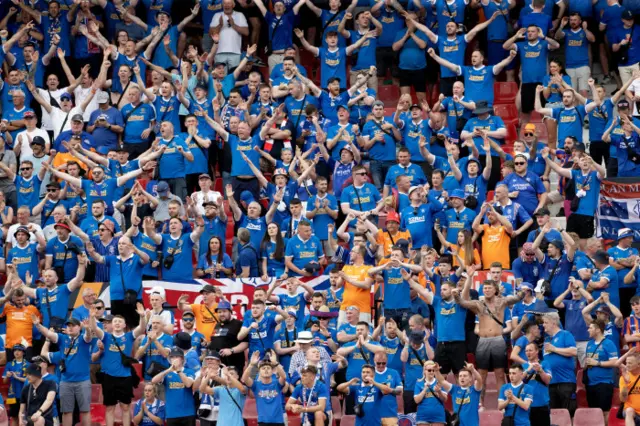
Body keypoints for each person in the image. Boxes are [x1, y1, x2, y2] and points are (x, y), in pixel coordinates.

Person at [89, 303, 147, 426]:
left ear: (124, 325)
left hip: (125, 377)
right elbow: (95, 328)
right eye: (115, 321)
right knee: (110, 408)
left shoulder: (129, 336)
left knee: (125, 407)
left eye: (120, 322)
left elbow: (142, 328)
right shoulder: (106, 337)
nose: (117, 323)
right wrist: (92, 317)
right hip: (109, 377)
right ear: (112, 324)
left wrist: (142, 316)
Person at [150, 347, 197, 425]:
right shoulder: (167, 373)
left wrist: (178, 370)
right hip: (172, 413)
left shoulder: (189, 371)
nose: (174, 359)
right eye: (172, 357)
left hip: (188, 413)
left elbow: (188, 384)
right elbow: (153, 381)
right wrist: (169, 370)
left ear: (182, 359)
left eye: (176, 357)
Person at [543, 312, 578, 414]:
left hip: (566, 381)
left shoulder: (565, 334)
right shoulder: (547, 340)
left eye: (546, 322)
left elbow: (573, 351)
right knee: (554, 414)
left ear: (553, 323)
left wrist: (554, 349)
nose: (543, 325)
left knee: (568, 413)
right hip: (551, 383)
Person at [584, 318, 619, 420]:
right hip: (590, 384)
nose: (588, 330)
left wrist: (597, 363)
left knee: (604, 412)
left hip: (604, 383)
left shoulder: (608, 343)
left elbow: (615, 362)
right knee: (593, 412)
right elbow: (589, 361)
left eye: (590, 328)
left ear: (598, 329)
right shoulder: (589, 344)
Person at [241, 353, 287, 426]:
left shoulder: (277, 384)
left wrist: (275, 363)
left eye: (268, 368)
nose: (266, 370)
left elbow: (284, 377)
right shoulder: (256, 385)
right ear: (259, 372)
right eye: (263, 368)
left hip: (278, 421)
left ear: (272, 371)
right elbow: (245, 379)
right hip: (263, 422)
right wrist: (251, 365)